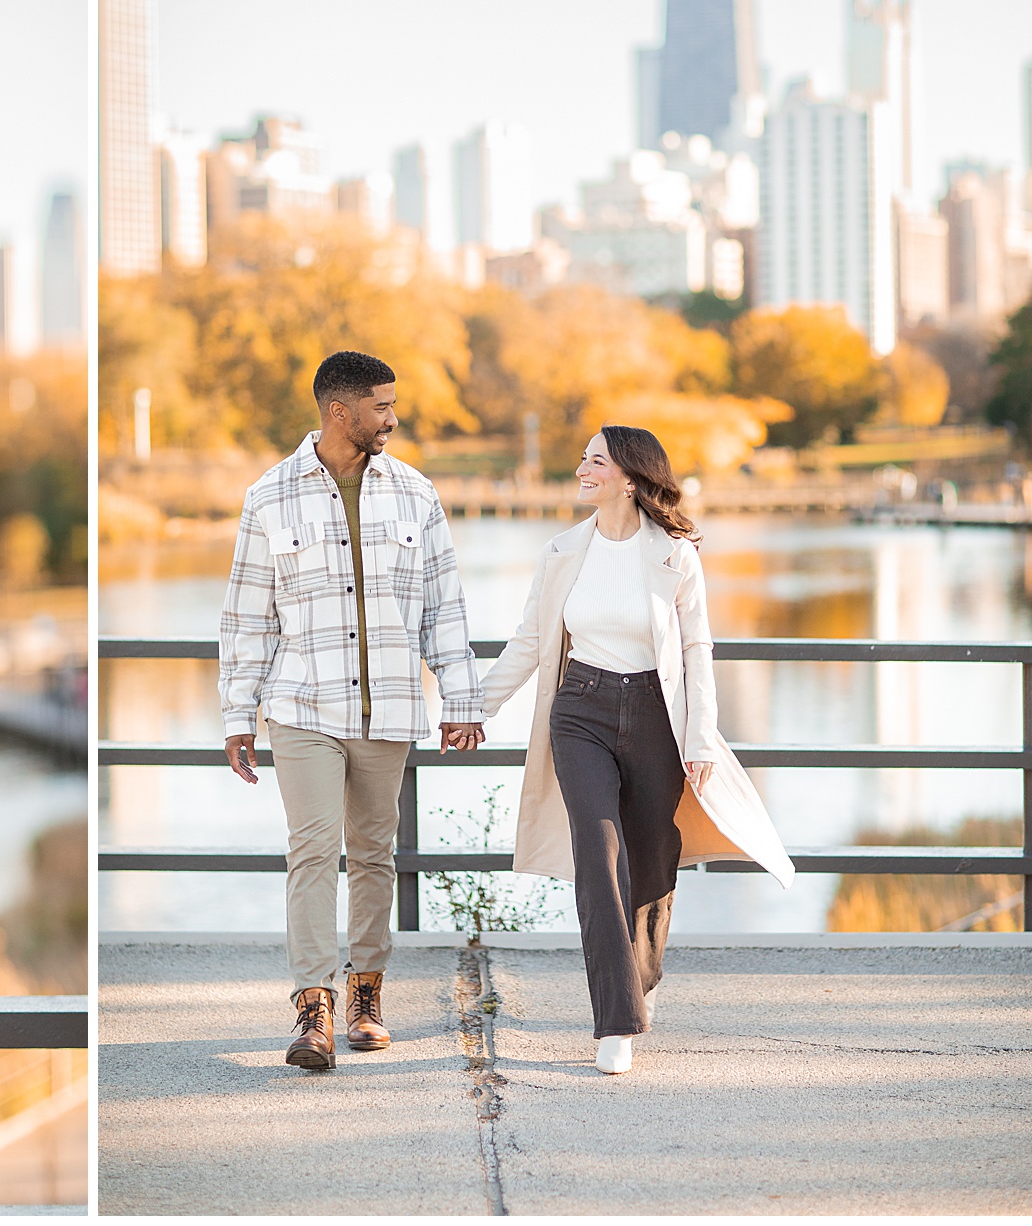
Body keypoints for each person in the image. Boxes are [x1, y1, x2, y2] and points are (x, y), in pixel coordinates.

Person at [475, 425, 795, 1075]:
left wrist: (701, 734)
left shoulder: (675, 556)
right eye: (584, 459)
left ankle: (637, 977)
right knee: (599, 856)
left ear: (629, 477)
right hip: (580, 712)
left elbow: (699, 649)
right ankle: (615, 1022)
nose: (581, 469)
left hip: (657, 716)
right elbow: (527, 644)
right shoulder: (562, 552)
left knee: (653, 862)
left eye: (596, 461)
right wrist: (471, 710)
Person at [221, 349, 485, 1069]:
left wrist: (462, 697)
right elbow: (247, 619)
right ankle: (314, 1009)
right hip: (302, 704)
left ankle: (367, 994)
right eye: (381, 407)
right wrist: (237, 714)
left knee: (374, 854)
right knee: (312, 848)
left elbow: (445, 609)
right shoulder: (269, 497)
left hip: (390, 705)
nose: (393, 419)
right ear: (340, 412)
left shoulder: (416, 494)